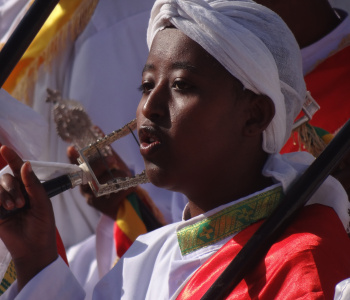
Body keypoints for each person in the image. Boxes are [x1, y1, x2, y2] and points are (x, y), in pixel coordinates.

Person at [1, 0, 350, 299]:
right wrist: (35, 257)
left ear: (254, 114)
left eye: (182, 85)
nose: (149, 107)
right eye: (146, 85)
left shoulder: (301, 264)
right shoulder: (147, 256)